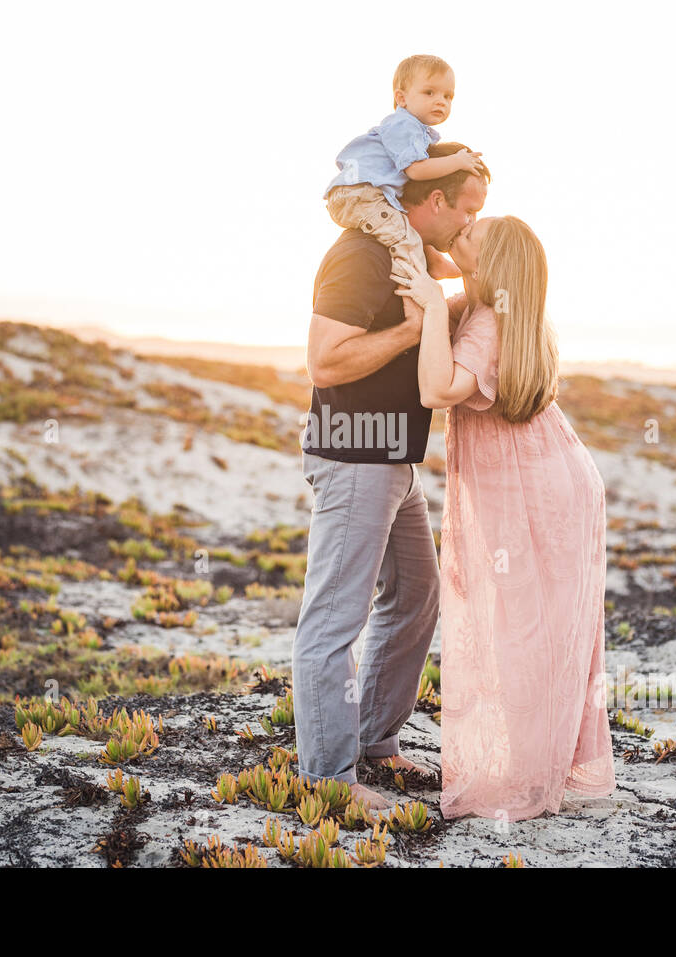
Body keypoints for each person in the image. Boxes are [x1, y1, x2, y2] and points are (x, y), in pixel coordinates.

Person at [393, 215, 617, 821]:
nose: (461, 229)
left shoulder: (487, 319)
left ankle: (529, 774)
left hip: (537, 487)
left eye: (473, 233)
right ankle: (543, 763)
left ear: (493, 266)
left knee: (525, 630)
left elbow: (438, 389)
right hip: (553, 476)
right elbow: (437, 263)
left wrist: (436, 310)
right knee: (536, 627)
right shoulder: (493, 307)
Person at [296, 143, 490, 811]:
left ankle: (374, 743)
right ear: (434, 202)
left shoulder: (408, 256)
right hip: (355, 458)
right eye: (467, 214)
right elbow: (326, 361)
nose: (468, 228)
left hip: (392, 461)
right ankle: (328, 779)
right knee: (332, 620)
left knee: (415, 596)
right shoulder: (361, 253)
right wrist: (413, 332)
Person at [324, 54, 484, 282]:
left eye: (448, 96)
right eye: (430, 92)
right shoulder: (403, 125)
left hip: (366, 194)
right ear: (401, 98)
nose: (441, 101)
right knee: (404, 240)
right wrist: (458, 161)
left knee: (405, 228)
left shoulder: (415, 131)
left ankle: (434, 261)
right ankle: (417, 301)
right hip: (360, 194)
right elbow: (416, 170)